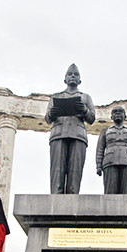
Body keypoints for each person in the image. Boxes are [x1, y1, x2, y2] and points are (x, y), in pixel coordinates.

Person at [45, 63, 96, 194]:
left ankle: (73, 202)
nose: (73, 76)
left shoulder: (86, 97)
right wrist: (53, 113)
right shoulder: (56, 96)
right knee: (57, 171)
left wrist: (84, 110)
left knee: (75, 172)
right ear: (65, 80)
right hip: (58, 134)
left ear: (80, 80)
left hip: (78, 135)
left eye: (76, 74)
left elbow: (92, 119)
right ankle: (56, 203)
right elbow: (47, 119)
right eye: (70, 74)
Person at [96, 106, 127, 194]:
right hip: (110, 162)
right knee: (110, 192)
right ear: (111, 117)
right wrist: (98, 166)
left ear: (125, 116)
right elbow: (100, 149)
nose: (118, 113)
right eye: (115, 112)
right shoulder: (105, 131)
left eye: (120, 111)